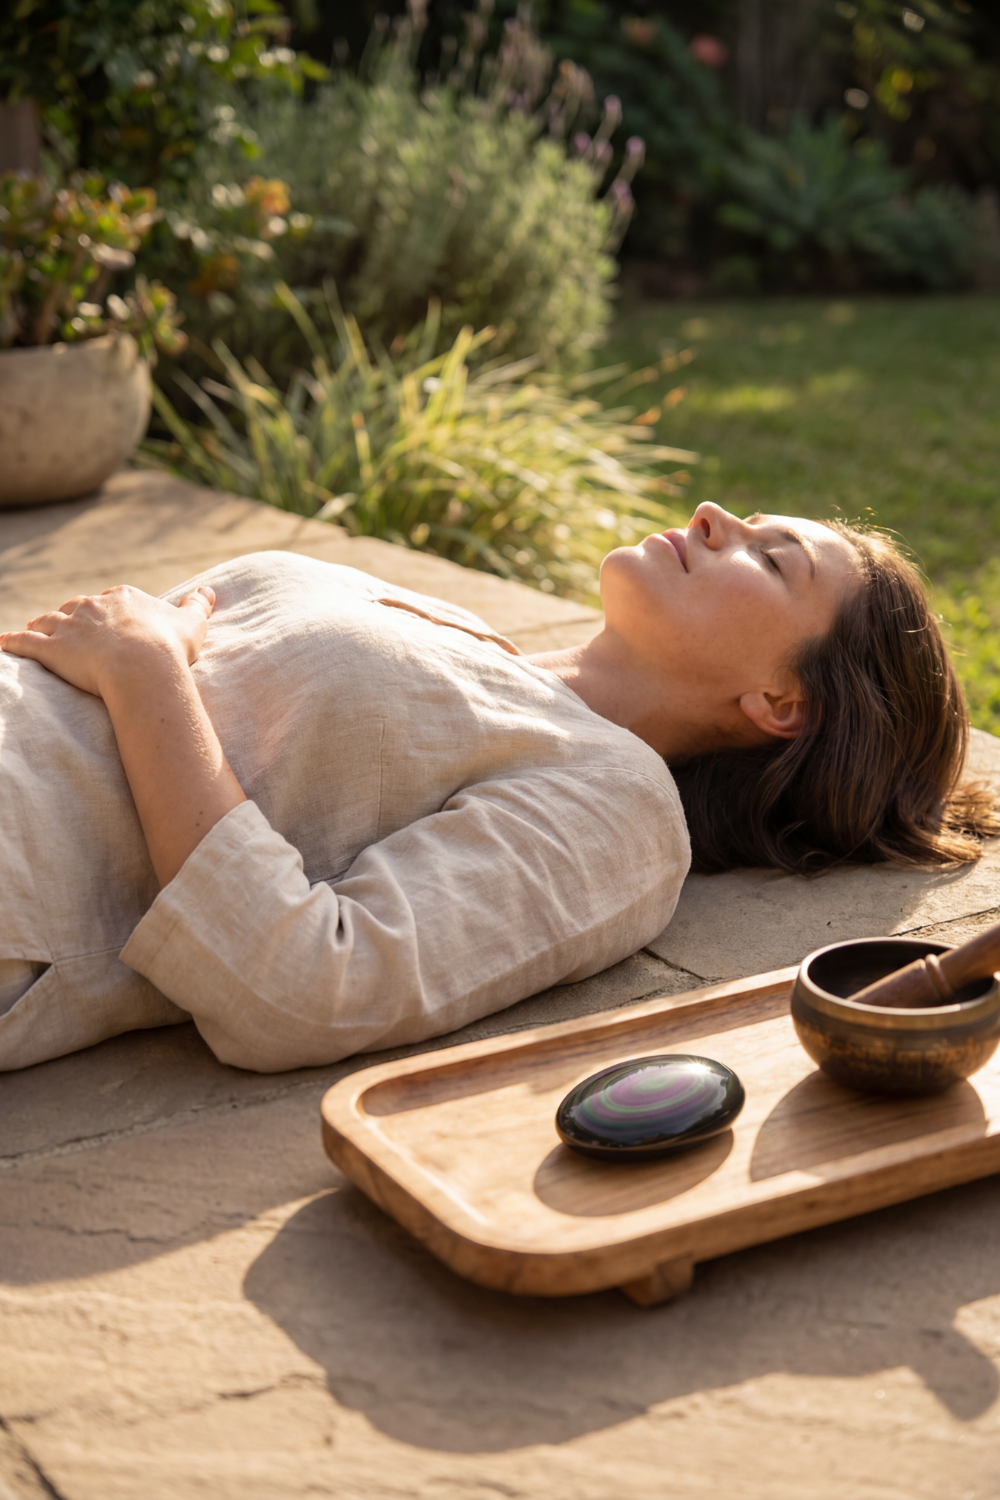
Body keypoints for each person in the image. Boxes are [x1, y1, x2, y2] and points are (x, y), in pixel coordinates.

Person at [0, 503, 993, 1073]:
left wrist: (147, 672)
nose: (710, 514)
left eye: (768, 558)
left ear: (780, 701)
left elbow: (304, 990)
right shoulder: (478, 646)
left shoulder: (617, 811)